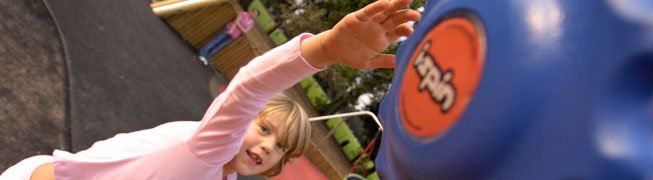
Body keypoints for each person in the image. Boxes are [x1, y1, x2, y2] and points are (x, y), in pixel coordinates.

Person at [0, 0, 420, 179]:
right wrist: (326, 48)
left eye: (281, 148)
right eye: (266, 129)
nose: (268, 147)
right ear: (240, 127)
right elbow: (249, 88)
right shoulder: (209, 151)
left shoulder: (219, 169)